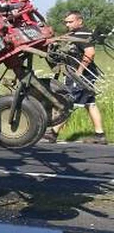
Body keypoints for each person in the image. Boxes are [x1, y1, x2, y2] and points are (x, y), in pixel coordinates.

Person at [44, 11, 107, 144]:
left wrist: (79, 72)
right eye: (66, 22)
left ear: (80, 21)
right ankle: (100, 135)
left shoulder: (83, 35)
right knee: (90, 104)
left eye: (70, 22)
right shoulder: (74, 35)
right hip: (83, 75)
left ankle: (53, 132)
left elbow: (90, 53)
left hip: (80, 75)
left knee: (68, 102)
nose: (67, 24)